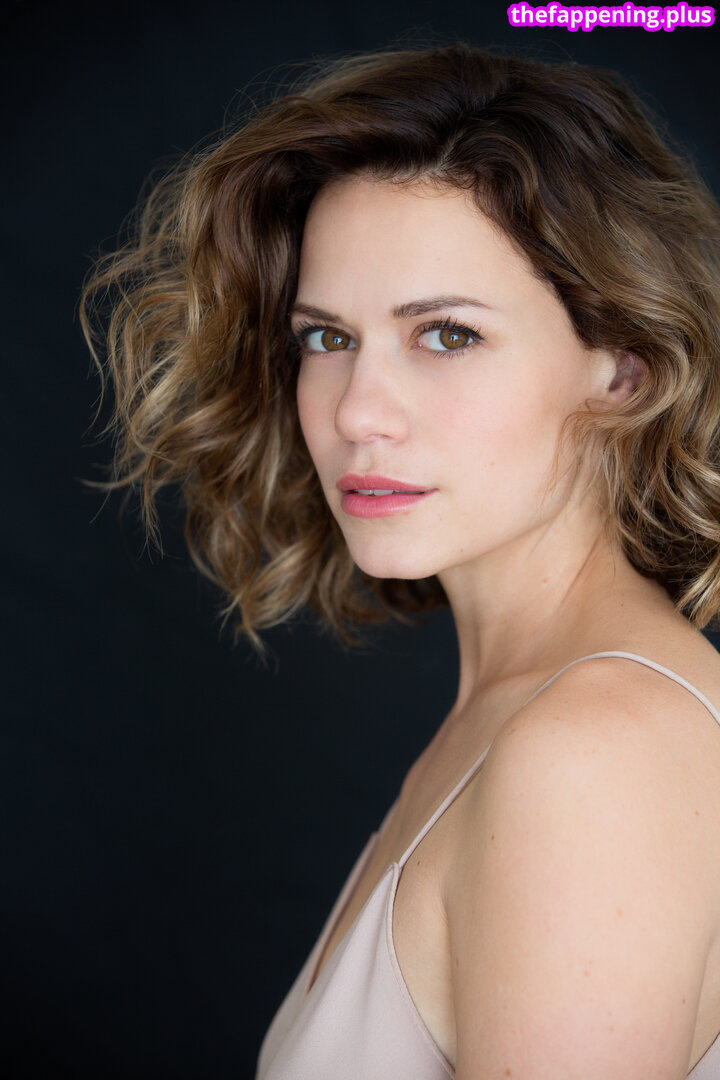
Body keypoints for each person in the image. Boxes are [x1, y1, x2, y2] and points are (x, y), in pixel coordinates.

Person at [80, 41, 720, 1079]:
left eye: (447, 335)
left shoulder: (596, 750)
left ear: (625, 368)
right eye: (327, 339)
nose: (357, 414)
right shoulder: (528, 712)